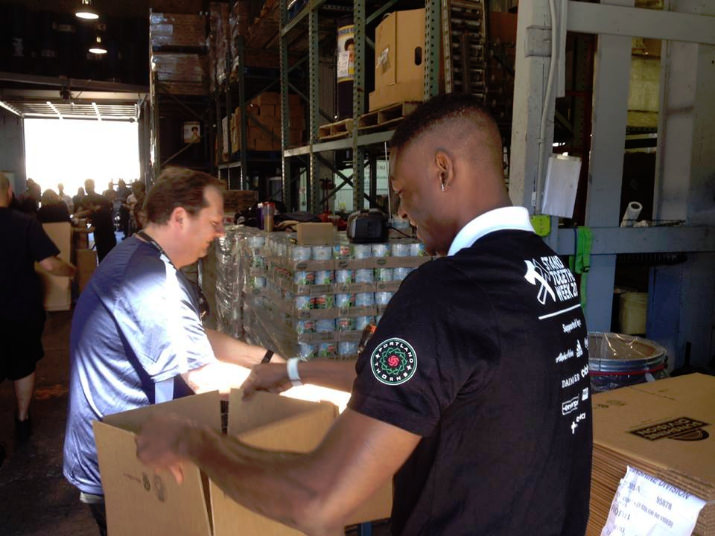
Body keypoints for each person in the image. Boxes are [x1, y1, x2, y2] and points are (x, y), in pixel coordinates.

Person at [137, 94, 593, 535]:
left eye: (402, 191)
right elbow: (434, 382)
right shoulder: (549, 272)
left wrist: (194, 443)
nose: (401, 211)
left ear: (443, 170)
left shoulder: (445, 292)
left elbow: (317, 500)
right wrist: (293, 370)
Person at [63, 167, 280, 536]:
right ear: (180, 217)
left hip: (123, 446)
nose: (222, 232)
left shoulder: (143, 257)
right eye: (214, 221)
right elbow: (202, 375)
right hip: (125, 463)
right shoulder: (151, 280)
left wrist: (266, 360)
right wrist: (295, 388)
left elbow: (190, 337)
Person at [0, 173, 76, 444]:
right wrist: (72, 271)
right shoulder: (24, 224)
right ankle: (22, 420)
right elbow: (50, 264)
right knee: (23, 364)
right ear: (9, 193)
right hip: (20, 309)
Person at [74, 179, 116, 262]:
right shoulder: (97, 210)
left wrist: (75, 229)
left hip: (106, 240)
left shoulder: (102, 203)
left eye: (89, 186)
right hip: (103, 237)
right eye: (86, 186)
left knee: (106, 260)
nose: (87, 188)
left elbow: (91, 229)